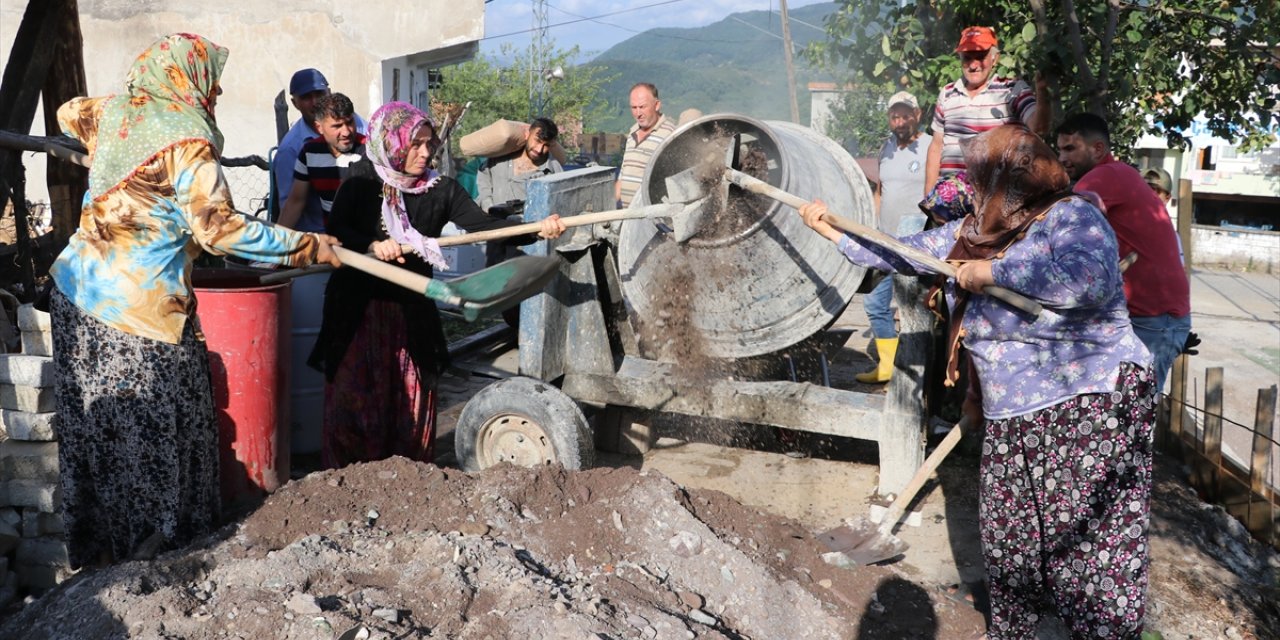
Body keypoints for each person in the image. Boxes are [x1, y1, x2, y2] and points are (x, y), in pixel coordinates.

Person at [801, 125, 1155, 639]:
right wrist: (832, 231)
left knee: (1089, 553)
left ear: (1014, 179)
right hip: (1013, 413)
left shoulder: (1072, 217)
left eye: (981, 178)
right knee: (1011, 544)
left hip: (1089, 405)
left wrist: (993, 273)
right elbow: (899, 252)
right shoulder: (974, 231)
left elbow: (1087, 281)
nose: (973, 188)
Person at [49, 33, 343, 569]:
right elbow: (220, 231)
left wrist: (102, 141)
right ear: (186, 80)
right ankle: (153, 563)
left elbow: (70, 112)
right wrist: (307, 245)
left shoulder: (117, 112)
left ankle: (107, 559)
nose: (220, 86)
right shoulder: (186, 140)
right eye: (211, 76)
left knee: (105, 434)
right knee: (150, 437)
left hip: (74, 296)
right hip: (134, 316)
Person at [307, 102, 564, 468]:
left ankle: (407, 481)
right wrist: (370, 244)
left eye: (429, 144)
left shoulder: (440, 189)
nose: (426, 153)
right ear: (392, 143)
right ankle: (350, 482)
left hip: (412, 310)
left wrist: (536, 228)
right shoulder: (363, 179)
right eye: (416, 144)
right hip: (358, 313)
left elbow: (484, 227)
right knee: (357, 403)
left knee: (410, 404)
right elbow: (337, 233)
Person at [1056, 112, 1191, 391]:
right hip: (1151, 317)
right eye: (1059, 149)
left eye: (1070, 148)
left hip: (1152, 320)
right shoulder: (1121, 174)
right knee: (1115, 419)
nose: (1061, 158)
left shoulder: (1103, 177)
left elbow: (1056, 224)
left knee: (1129, 421)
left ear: (1097, 149)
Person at [924, 26, 1049, 196]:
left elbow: (1039, 128)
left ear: (994, 58)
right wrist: (929, 197)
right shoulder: (947, 93)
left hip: (996, 200)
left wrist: (1043, 92)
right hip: (949, 200)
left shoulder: (1012, 89)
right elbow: (936, 146)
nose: (974, 65)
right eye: (967, 58)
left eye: (980, 56)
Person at [858, 91, 929, 384]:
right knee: (882, 305)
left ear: (918, 115)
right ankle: (892, 368)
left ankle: (905, 374)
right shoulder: (886, 149)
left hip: (914, 243)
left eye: (905, 115)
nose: (899, 121)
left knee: (902, 308)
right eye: (894, 116)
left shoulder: (929, 147)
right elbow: (881, 191)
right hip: (886, 242)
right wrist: (871, 227)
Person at [273, 68, 367, 232]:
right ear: (295, 103)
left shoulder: (358, 127)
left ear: (329, 92)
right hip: (322, 237)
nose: (315, 102)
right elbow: (293, 204)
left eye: (319, 94)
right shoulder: (294, 150)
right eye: (306, 97)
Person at [475, 116, 563, 216]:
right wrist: (489, 209)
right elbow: (484, 186)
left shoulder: (552, 171)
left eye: (546, 145)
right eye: (537, 141)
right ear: (527, 134)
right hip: (491, 225)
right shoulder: (499, 157)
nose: (539, 149)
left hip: (527, 229)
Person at [615, 82, 678, 208]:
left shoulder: (670, 135)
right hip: (627, 217)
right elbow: (623, 175)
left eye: (642, 107)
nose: (638, 113)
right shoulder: (632, 133)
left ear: (657, 105)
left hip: (651, 219)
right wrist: (611, 205)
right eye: (634, 107)